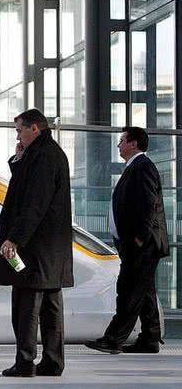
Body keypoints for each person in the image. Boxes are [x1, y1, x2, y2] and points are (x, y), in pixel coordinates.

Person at [0, 108, 73, 378]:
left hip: (36, 245)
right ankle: (52, 361)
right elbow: (25, 186)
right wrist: (20, 157)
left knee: (26, 304)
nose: (18, 135)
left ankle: (24, 361)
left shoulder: (44, 156)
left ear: (35, 128)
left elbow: (33, 203)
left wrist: (15, 239)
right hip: (50, 247)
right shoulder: (44, 153)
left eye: (20, 129)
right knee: (50, 306)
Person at [85, 127, 170, 354]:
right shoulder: (135, 167)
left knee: (129, 290)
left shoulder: (143, 167)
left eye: (121, 140)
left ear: (134, 144)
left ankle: (113, 339)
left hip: (142, 244)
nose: (118, 145)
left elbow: (147, 204)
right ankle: (150, 338)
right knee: (144, 290)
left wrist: (140, 238)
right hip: (136, 243)